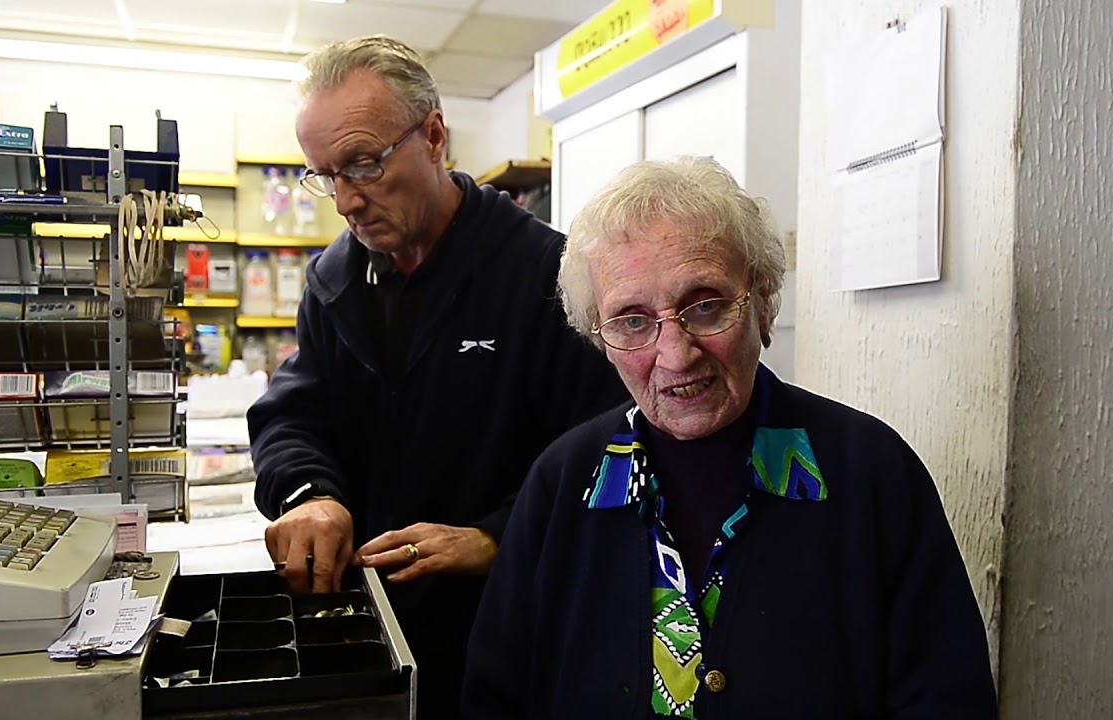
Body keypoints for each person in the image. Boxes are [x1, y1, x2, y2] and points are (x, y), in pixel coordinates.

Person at [461, 157, 998, 719]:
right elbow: (495, 700)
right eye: (633, 321)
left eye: (706, 306)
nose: (676, 355)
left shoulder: (870, 473)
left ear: (763, 304)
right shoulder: (562, 484)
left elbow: (948, 702)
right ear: (600, 338)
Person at [246, 36, 628, 719]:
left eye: (363, 164)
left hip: (507, 629)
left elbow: (610, 450)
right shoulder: (333, 283)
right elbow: (293, 413)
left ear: (433, 137)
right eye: (325, 176)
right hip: (371, 628)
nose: (346, 201)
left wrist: (496, 537)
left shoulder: (547, 276)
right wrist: (309, 496)